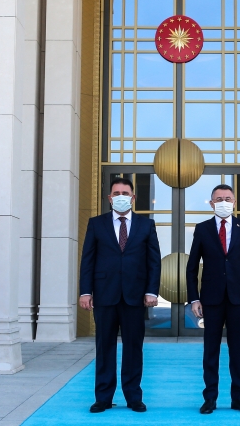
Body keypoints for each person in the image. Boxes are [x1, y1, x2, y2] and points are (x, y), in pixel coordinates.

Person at [79, 177, 161, 413]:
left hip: (135, 296)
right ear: (109, 198)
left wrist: (151, 291)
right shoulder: (96, 224)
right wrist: (85, 291)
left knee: (133, 347)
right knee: (104, 347)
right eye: (116, 193)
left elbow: (154, 261)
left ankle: (133, 397)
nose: (121, 197)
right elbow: (88, 260)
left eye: (125, 193)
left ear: (133, 198)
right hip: (104, 294)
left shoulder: (146, 225)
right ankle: (103, 397)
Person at [186, 184, 240, 415]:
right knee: (211, 350)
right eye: (218, 199)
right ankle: (210, 398)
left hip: (239, 298)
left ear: (234, 202)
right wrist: (194, 299)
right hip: (211, 299)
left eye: (227, 198)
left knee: (237, 350)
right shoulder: (202, 229)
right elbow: (191, 267)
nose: (223, 202)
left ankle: (239, 398)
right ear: (211, 203)